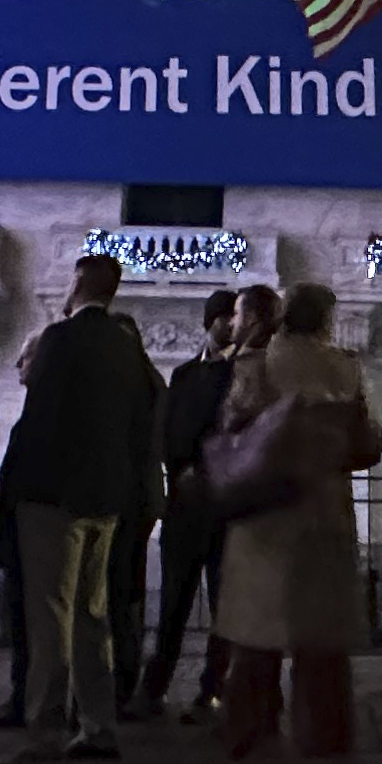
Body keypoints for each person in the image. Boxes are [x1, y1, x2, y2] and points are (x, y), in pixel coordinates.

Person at [0, 252, 160, 761]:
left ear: (77, 283)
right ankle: (97, 723)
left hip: (53, 496)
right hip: (107, 498)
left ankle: (45, 728)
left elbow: (41, 421)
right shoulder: (126, 346)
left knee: (51, 615)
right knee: (94, 615)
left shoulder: (60, 339)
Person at [214, 283, 376, 756]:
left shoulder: (257, 362)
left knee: (254, 636)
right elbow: (368, 444)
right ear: (326, 319)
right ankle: (325, 740)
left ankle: (247, 731)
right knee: (322, 645)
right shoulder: (346, 368)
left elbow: (233, 425)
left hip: (265, 515)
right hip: (324, 514)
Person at [141, 288, 244, 716]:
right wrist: (179, 467)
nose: (228, 325)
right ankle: (155, 687)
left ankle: (213, 687)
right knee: (173, 604)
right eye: (222, 318)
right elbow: (167, 430)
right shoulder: (183, 375)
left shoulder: (243, 373)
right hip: (185, 505)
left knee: (224, 607)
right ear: (209, 322)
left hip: (224, 506)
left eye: (232, 318)